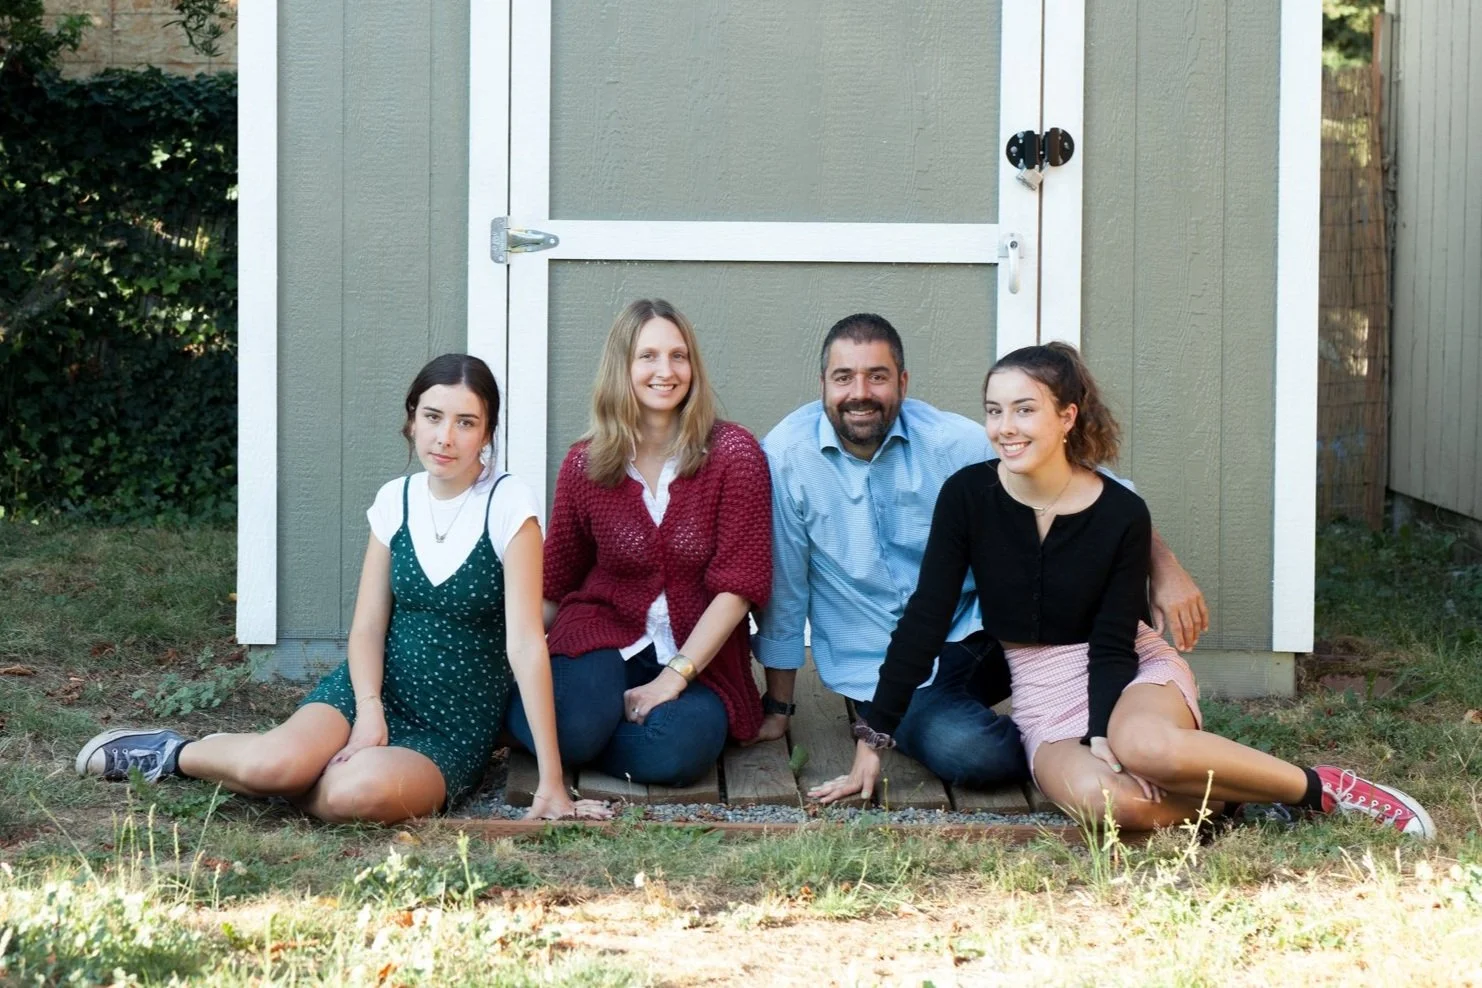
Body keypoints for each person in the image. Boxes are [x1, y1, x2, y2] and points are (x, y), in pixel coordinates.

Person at [817, 342, 1434, 838]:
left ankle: (1322, 788)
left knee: (1142, 748)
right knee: (1106, 803)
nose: (1005, 427)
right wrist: (873, 738)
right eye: (994, 410)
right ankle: (1234, 797)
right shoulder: (968, 498)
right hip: (1040, 694)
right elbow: (925, 618)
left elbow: (1113, 638)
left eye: (1024, 409)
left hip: (1127, 671)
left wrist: (1105, 733)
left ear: (1066, 417)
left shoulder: (1119, 512)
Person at [75, 354, 609, 824]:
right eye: (432, 417)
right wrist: (369, 710)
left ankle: (281, 781)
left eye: (466, 422)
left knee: (353, 794)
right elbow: (368, 627)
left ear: (487, 433)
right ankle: (178, 753)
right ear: (411, 422)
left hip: (451, 726)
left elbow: (524, 644)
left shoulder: (508, 504)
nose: (445, 437)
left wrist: (552, 782)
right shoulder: (394, 500)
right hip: (370, 690)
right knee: (273, 764)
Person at [755, 313, 1208, 794]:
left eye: (878, 376)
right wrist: (780, 707)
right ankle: (1065, 744)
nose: (860, 392)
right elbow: (786, 585)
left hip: (984, 634)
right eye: (844, 377)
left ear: (903, 383)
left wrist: (1166, 568)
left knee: (1081, 622)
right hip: (879, 662)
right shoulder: (787, 456)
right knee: (976, 755)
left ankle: (1132, 730)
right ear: (823, 383)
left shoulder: (951, 441)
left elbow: (1104, 496)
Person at [507, 298, 772, 786]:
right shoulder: (586, 463)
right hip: (600, 634)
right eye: (648, 356)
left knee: (676, 750)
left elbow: (738, 587)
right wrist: (510, 653)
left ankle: (576, 740)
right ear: (622, 368)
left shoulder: (735, 454)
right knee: (570, 726)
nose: (665, 371)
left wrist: (673, 678)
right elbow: (557, 580)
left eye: (678, 355)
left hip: (698, 658)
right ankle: (568, 728)